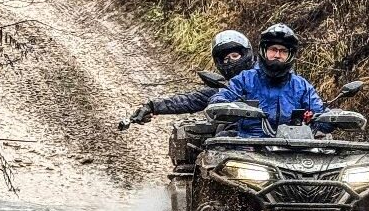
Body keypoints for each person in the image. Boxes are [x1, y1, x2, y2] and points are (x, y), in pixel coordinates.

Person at [207, 23, 330, 138]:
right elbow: (222, 97)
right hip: (247, 147)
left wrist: (333, 118)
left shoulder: (302, 86)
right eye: (273, 49)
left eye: (283, 51)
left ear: (290, 55)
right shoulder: (245, 79)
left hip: (293, 149)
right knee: (216, 151)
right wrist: (222, 104)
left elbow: (320, 113)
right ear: (264, 51)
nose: (277, 55)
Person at [127, 30, 255, 124]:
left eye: (234, 56)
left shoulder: (266, 76)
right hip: (240, 139)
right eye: (226, 59)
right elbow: (191, 100)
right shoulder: (226, 88)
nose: (230, 62)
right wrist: (153, 106)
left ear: (246, 53)